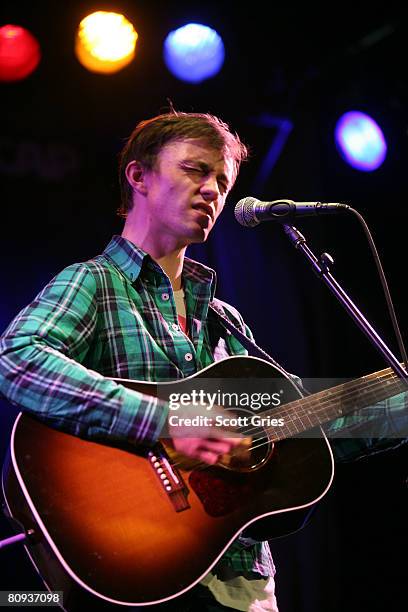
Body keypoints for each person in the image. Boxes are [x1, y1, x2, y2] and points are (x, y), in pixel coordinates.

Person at [0, 110, 406, 612]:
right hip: (138, 559)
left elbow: (305, 434)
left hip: (243, 581)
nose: (213, 190)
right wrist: (166, 418)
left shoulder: (225, 318)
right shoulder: (95, 283)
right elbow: (18, 358)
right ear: (139, 176)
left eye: (223, 179)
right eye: (196, 170)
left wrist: (397, 410)